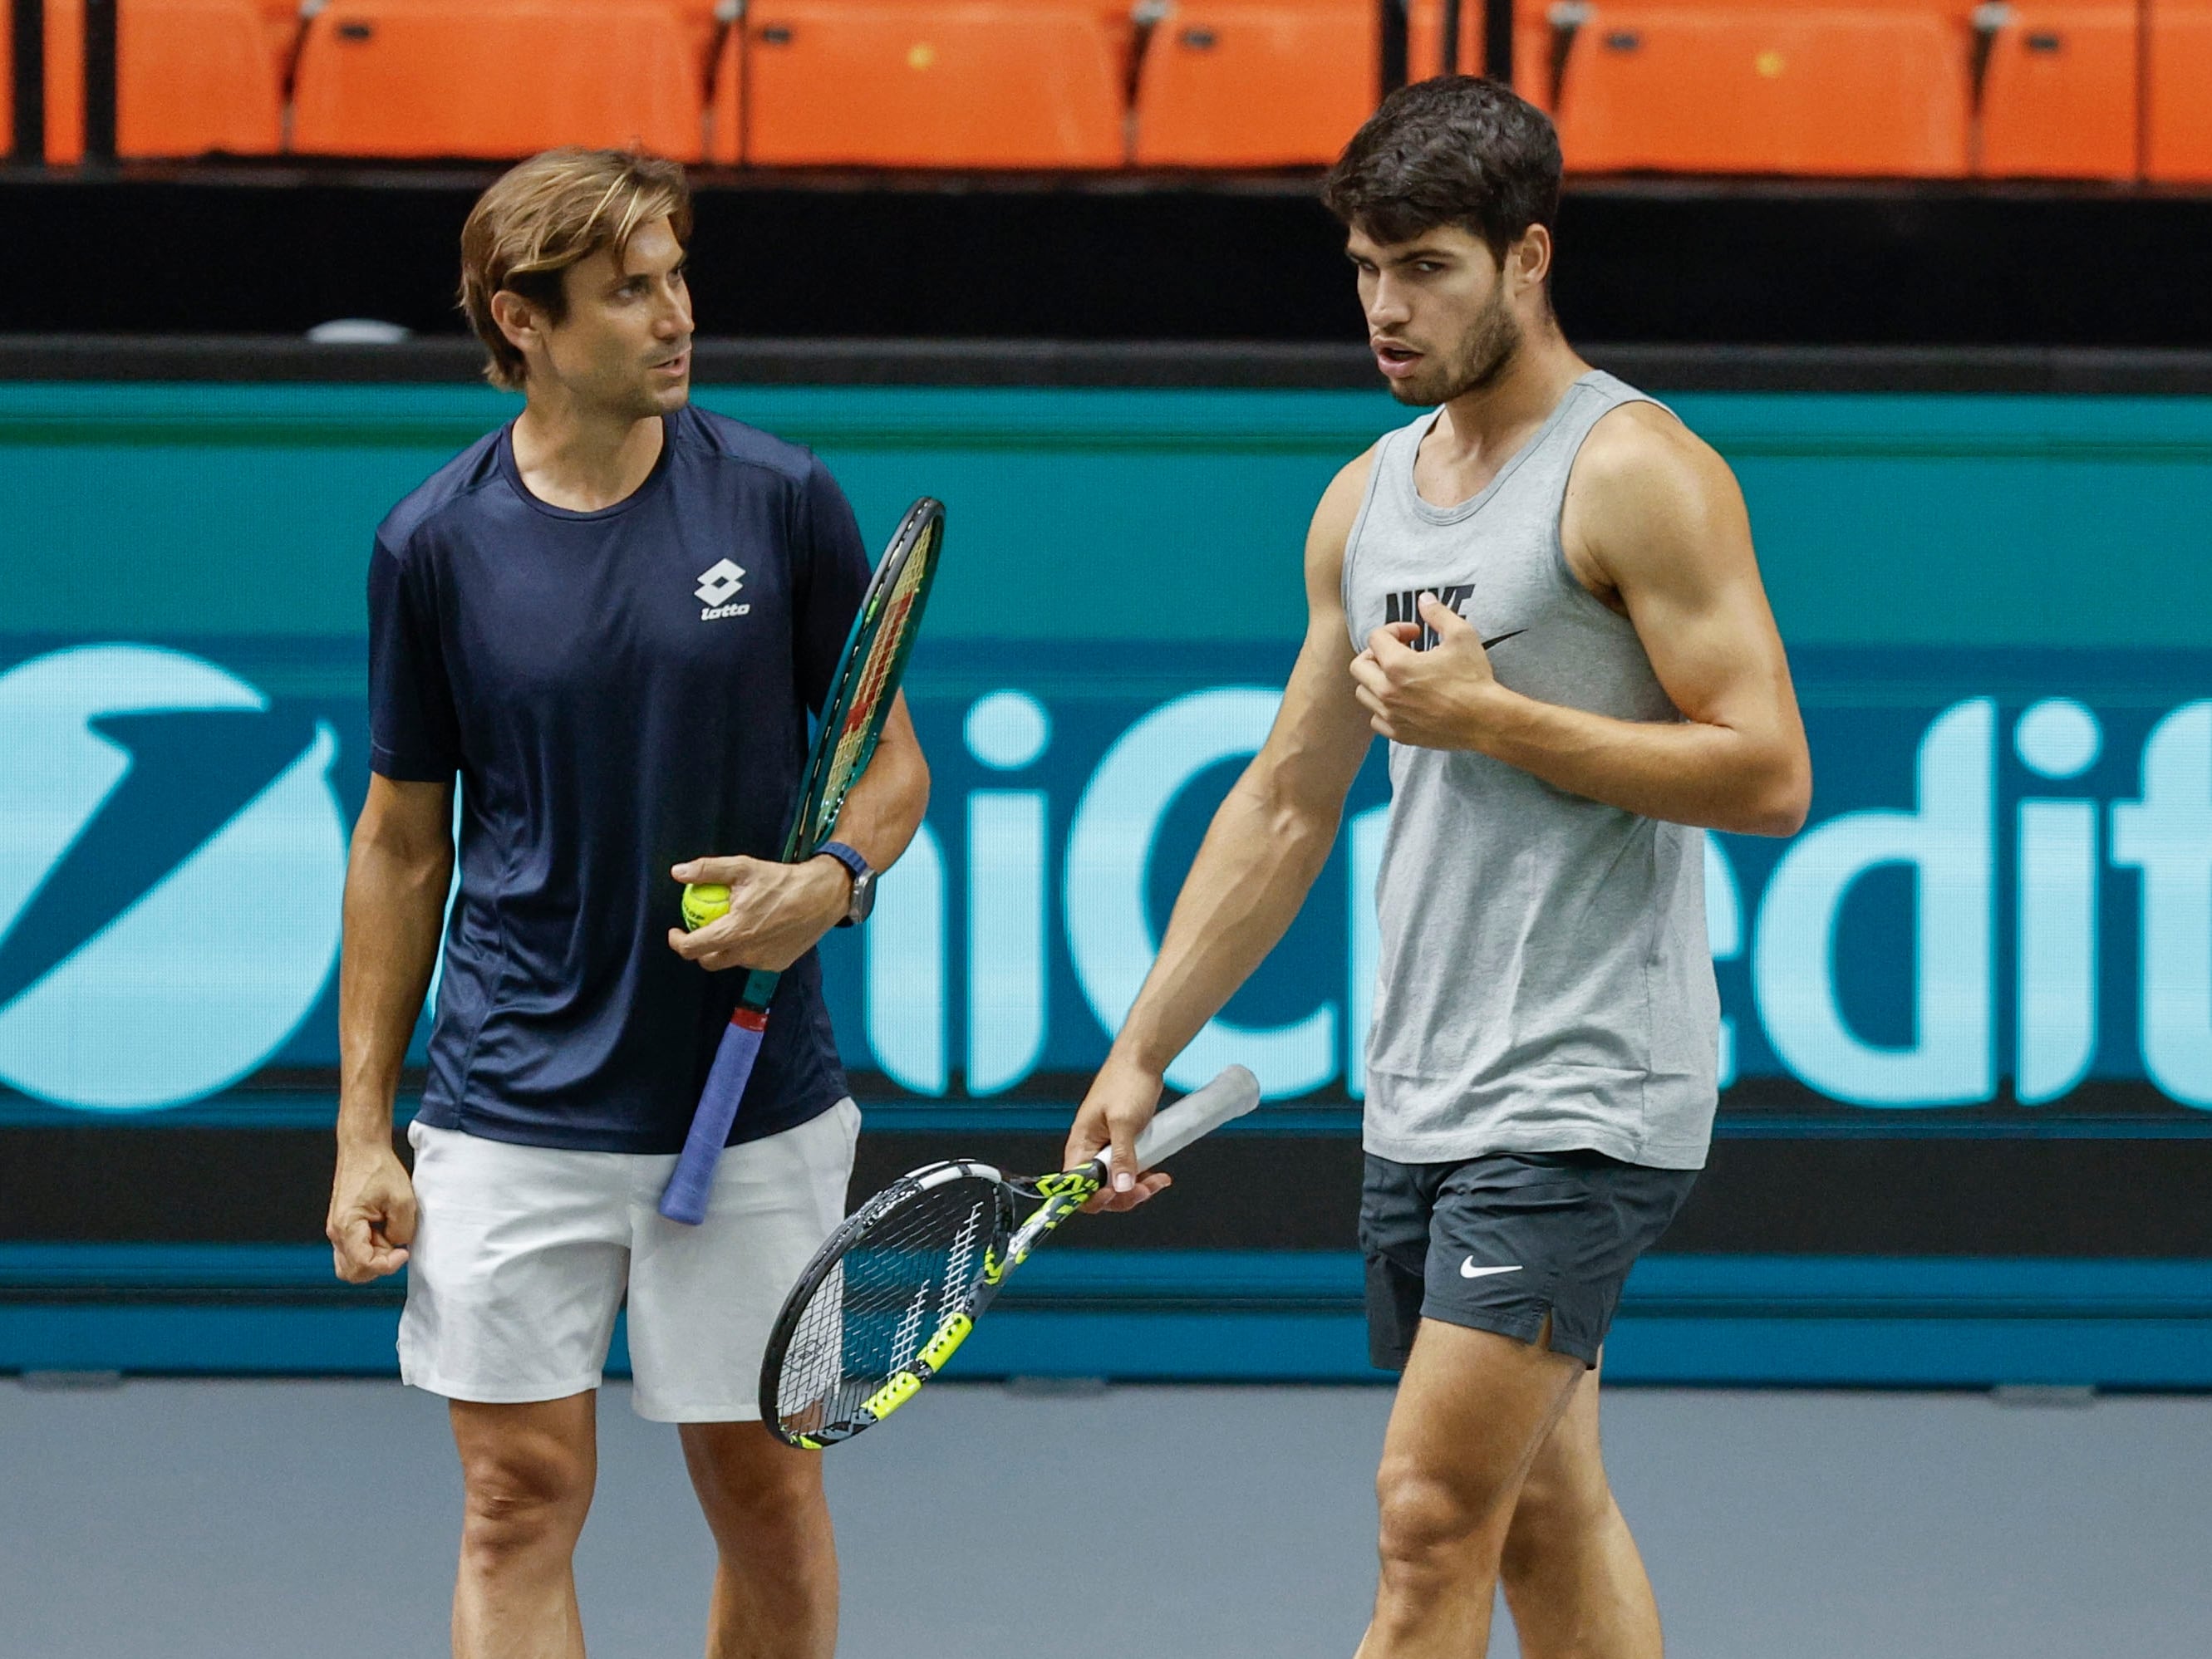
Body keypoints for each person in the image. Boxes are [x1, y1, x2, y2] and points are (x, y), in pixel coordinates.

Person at [1064, 77, 1810, 1658]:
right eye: (1363, 269)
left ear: (1526, 258)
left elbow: (1766, 771)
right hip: (1428, 1084)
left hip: (1582, 1084)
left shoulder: (1635, 472)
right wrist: (1144, 1045)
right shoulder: (1367, 501)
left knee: (1426, 1518)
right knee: (1542, 1510)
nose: (1384, 309)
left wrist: (1492, 716)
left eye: (1425, 269)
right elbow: (1284, 801)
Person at [323, 147, 928, 1659]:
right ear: (520, 321)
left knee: (763, 1495)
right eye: (628, 291)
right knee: (516, 1499)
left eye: (675, 279)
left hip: (753, 1101)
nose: (675, 318)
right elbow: (403, 843)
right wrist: (360, 1126)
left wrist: (827, 883)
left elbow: (887, 767)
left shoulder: (781, 499)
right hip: (512, 1097)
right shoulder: (434, 544)